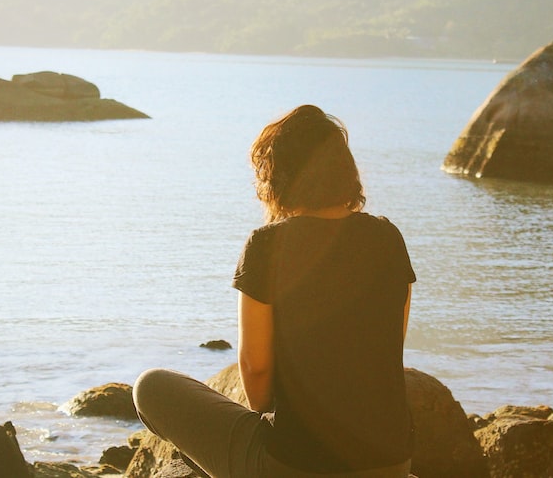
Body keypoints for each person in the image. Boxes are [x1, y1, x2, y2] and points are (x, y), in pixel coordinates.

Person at [133, 104, 415, 477]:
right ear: (346, 171)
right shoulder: (388, 238)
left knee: (150, 386)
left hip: (295, 465)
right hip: (390, 465)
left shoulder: (266, 246)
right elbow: (390, 348)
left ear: (277, 176)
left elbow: (256, 372)